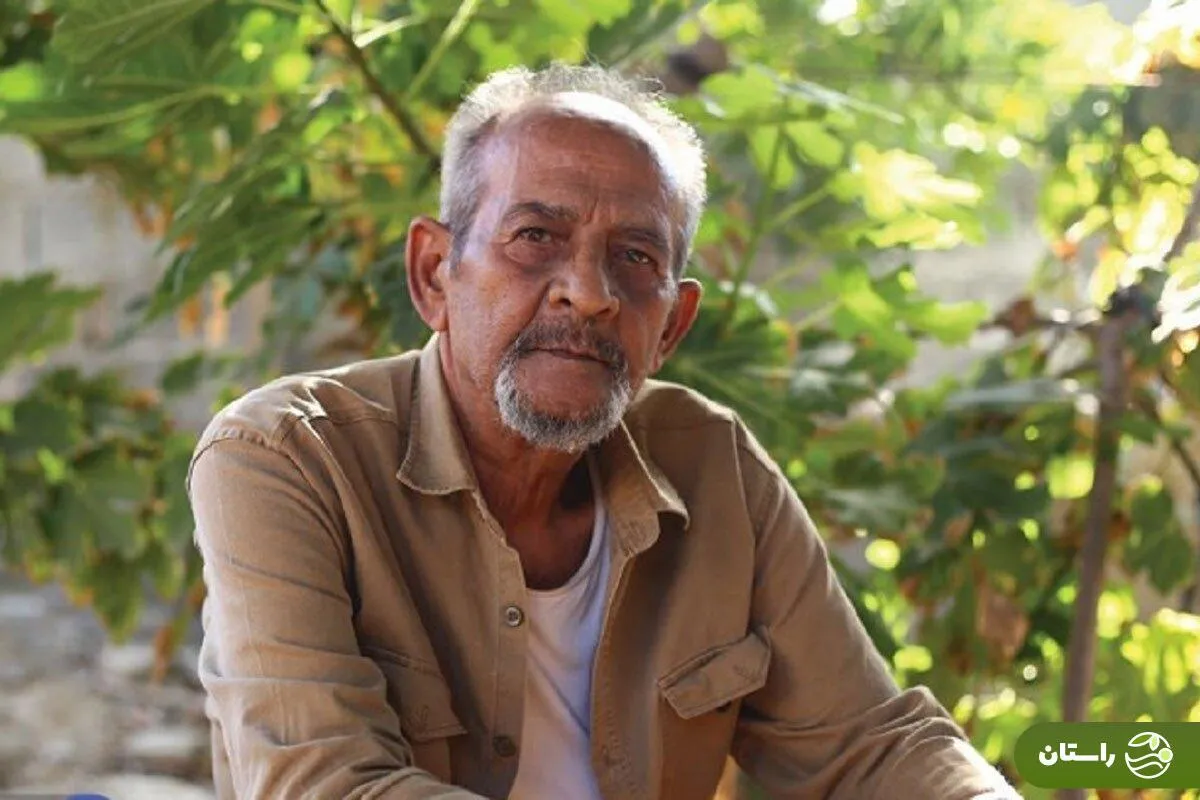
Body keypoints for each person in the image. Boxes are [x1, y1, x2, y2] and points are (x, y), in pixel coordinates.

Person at [188, 63, 1021, 799]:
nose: (588, 293)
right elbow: (324, 787)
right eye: (535, 237)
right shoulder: (286, 458)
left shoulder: (712, 465)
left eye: (635, 257)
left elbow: (872, 745)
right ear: (435, 274)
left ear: (671, 328)